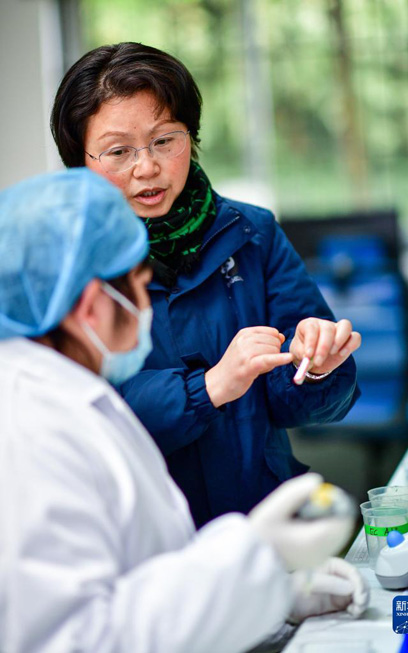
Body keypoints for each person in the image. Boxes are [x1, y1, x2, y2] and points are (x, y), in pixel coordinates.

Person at [0, 169, 369, 653]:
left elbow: (143, 584)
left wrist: (277, 597)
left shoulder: (72, 397)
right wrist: (254, 558)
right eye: (139, 285)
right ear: (92, 308)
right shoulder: (33, 431)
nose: (147, 305)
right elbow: (77, 639)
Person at [51, 42, 362, 528]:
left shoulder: (252, 232)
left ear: (191, 137)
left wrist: (316, 366)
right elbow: (81, 414)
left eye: (164, 140)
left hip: (263, 524)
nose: (146, 167)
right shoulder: (63, 261)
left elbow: (299, 402)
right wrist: (210, 387)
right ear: (80, 161)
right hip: (150, 539)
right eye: (118, 151)